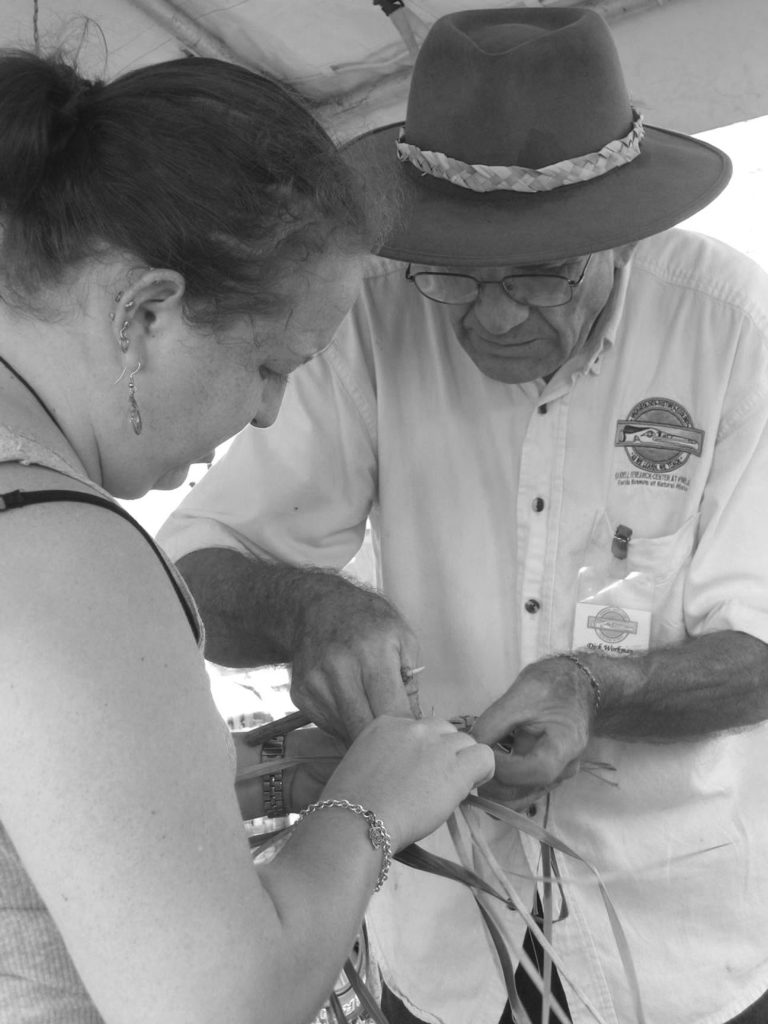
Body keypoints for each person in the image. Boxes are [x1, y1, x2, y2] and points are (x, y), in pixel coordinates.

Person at [158, 7, 768, 1024]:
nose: (491, 316)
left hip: (685, 940)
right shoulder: (376, 311)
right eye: (458, 275)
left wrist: (593, 688)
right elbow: (197, 571)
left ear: (622, 234)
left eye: (540, 275)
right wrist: (313, 610)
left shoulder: (733, 333)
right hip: (446, 956)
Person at [0, 46, 495, 1024]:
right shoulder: (65, 551)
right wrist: (370, 807)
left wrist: (253, 778)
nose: (269, 413)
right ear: (146, 311)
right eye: (272, 363)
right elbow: (215, 1005)